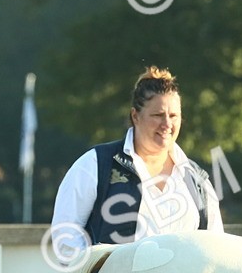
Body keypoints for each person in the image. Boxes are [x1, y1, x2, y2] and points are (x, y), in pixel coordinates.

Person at [51, 66, 224, 253]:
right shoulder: (95, 164)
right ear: (135, 116)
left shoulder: (197, 179)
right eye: (158, 115)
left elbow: (215, 247)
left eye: (174, 116)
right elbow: (65, 238)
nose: (167, 124)